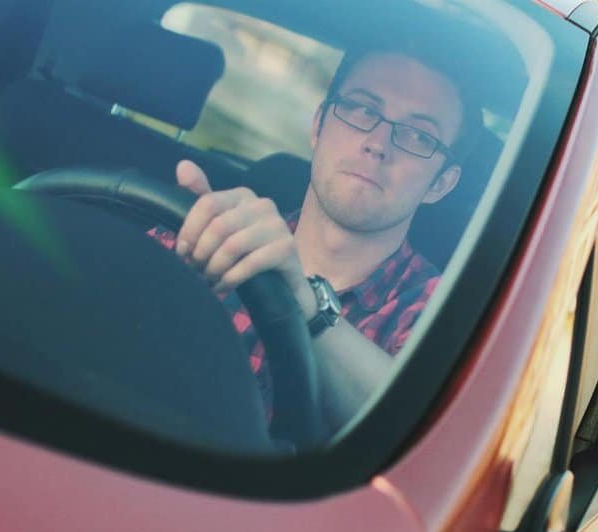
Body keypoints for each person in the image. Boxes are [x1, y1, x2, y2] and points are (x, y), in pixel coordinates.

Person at [153, 47, 477, 431]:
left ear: (440, 183)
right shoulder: (212, 231)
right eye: (363, 110)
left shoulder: (447, 319)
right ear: (319, 125)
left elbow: (416, 436)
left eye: (420, 136)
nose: (378, 143)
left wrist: (307, 304)